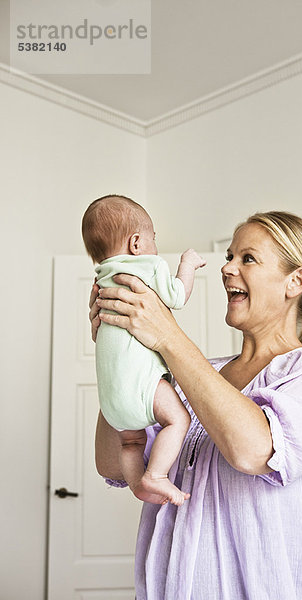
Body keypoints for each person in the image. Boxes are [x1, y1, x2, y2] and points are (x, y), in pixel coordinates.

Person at [90, 210, 302, 600]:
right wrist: (117, 354)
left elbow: (252, 451)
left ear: (295, 281)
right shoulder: (192, 375)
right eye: (230, 256)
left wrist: (167, 334)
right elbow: (112, 462)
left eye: (247, 258)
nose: (227, 267)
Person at [82, 194, 206, 506]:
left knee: (131, 443)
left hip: (111, 400)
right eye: (153, 239)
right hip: (143, 387)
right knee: (178, 420)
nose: (154, 246)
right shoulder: (148, 265)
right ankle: (155, 477)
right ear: (136, 243)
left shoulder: (102, 278)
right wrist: (187, 265)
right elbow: (177, 296)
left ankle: (138, 483)